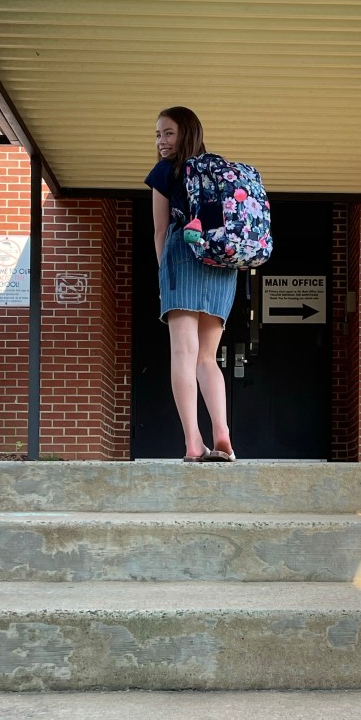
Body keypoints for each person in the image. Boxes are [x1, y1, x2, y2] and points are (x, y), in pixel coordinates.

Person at [145, 106, 237, 462]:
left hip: (183, 255)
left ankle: (194, 442)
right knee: (207, 358)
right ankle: (223, 433)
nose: (161, 141)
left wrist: (164, 276)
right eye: (158, 134)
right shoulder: (219, 170)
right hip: (221, 263)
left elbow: (160, 231)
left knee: (183, 353)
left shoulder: (166, 171)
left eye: (168, 133)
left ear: (186, 133)